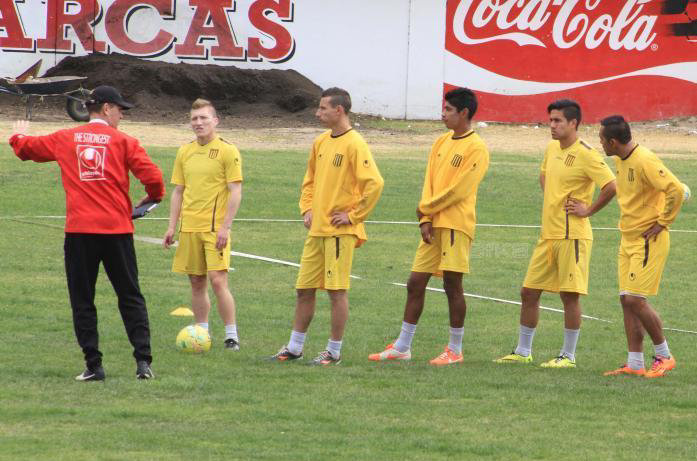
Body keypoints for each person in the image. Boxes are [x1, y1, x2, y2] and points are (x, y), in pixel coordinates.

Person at [9, 85, 165, 381]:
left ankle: (94, 365)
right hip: (117, 231)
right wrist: (152, 197)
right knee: (130, 295)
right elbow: (153, 177)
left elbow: (28, 150)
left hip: (80, 232)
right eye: (120, 109)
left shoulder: (65, 138)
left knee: (83, 299)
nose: (121, 115)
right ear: (106, 108)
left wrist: (18, 136)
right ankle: (143, 362)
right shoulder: (124, 141)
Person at [368, 87, 489, 365]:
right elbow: (430, 181)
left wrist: (427, 208)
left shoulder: (476, 148)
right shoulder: (440, 142)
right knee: (415, 282)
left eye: (448, 110)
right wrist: (425, 218)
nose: (443, 114)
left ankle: (455, 349)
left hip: (457, 225)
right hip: (433, 224)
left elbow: (460, 190)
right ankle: (402, 346)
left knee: (452, 284)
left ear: (464, 113)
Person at [494, 99, 616, 368]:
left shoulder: (586, 153)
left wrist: (588, 210)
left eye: (558, 121)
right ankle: (523, 351)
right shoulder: (551, 148)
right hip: (548, 235)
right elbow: (544, 177)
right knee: (528, 292)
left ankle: (568, 356)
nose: (552, 125)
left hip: (572, 236)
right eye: (550, 120)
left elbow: (611, 185)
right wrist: (553, 197)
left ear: (574, 123)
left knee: (569, 296)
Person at [269, 87, 384, 365]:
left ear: (339, 110)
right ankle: (295, 347)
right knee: (304, 289)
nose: (317, 113)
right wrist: (306, 208)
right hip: (317, 230)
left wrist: (353, 216)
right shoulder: (321, 142)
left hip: (339, 233)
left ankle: (334, 351)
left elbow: (375, 183)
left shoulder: (355, 143)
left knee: (336, 292)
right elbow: (309, 180)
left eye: (322, 108)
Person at [598, 115, 688, 378]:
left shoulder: (645, 160)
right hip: (628, 238)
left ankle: (664, 355)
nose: (600, 144)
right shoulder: (620, 159)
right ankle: (634, 363)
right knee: (626, 301)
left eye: (602, 139)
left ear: (613, 142)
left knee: (636, 300)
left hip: (648, 240)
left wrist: (663, 222)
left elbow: (674, 189)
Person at [163, 99, 243, 350]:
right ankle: (201, 332)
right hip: (189, 229)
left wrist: (225, 227)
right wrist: (171, 226)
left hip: (214, 229)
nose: (198, 123)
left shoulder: (228, 150)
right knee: (196, 282)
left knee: (218, 281)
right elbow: (178, 191)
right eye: (194, 119)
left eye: (203, 118)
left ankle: (231, 335)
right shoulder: (184, 151)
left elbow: (235, 190)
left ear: (215, 121)